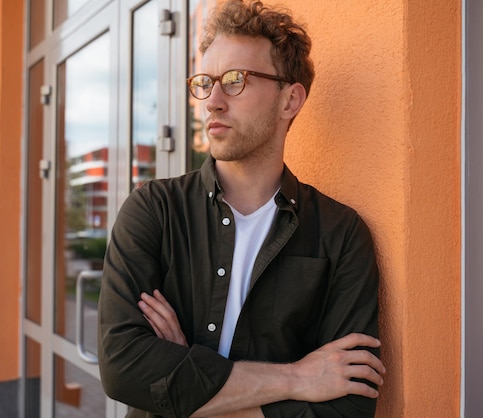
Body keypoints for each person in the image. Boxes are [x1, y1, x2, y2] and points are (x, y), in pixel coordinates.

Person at [97, 1, 385, 416]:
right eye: (205, 81)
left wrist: (185, 379)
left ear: (290, 100)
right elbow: (124, 369)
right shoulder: (154, 211)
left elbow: (347, 408)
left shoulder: (339, 234)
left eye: (235, 80)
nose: (212, 100)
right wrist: (300, 378)